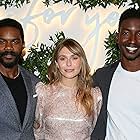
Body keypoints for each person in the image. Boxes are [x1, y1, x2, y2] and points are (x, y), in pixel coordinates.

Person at [34, 38, 102, 140]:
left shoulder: (94, 95)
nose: (68, 64)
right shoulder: (44, 93)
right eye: (63, 58)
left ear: (81, 62)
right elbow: (38, 132)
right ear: (57, 63)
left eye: (74, 58)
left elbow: (97, 133)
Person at [91, 8, 140, 140]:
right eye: (126, 33)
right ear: (117, 37)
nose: (133, 41)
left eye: (139, 34)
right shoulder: (102, 77)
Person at [0, 18, 40, 140]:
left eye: (14, 42)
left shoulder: (34, 82)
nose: (8, 48)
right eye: (2, 42)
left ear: (22, 45)